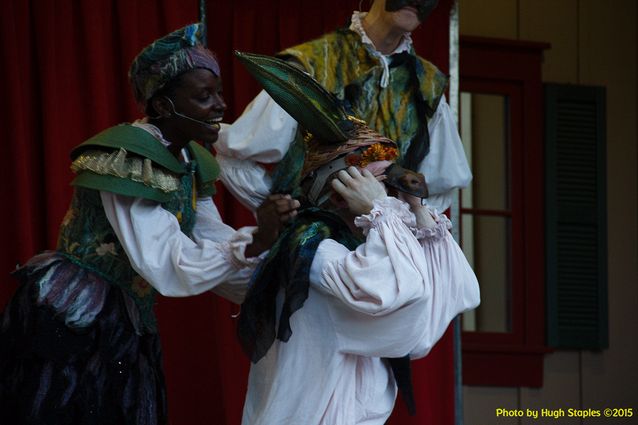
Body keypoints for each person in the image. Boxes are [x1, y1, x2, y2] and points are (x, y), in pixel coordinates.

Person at [0, 24, 298, 425]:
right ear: (161, 105)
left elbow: (212, 238)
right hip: (75, 317)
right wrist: (255, 240)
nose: (220, 106)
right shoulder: (129, 157)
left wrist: (269, 255)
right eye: (203, 96)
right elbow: (165, 261)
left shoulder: (191, 162)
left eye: (218, 94)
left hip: (127, 317)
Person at [232, 52, 479, 425]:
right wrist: (380, 213)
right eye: (378, 185)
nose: (390, 199)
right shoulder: (315, 253)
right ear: (340, 193)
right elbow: (402, 297)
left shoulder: (365, 250)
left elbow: (447, 300)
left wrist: (418, 211)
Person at [215, 0, 471, 214]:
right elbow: (238, 152)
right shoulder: (314, 63)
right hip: (319, 248)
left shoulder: (426, 84)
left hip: (389, 253)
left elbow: (443, 181)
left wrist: (399, 228)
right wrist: (289, 216)